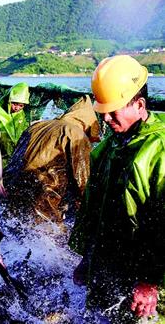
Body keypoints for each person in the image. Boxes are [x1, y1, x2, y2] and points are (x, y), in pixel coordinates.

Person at [69, 55, 165, 322]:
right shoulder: (110, 147)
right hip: (107, 268)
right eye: (103, 112)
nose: (108, 119)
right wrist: (86, 257)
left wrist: (150, 282)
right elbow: (92, 210)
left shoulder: (159, 151)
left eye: (114, 111)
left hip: (147, 284)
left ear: (140, 104)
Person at [3, 96, 100, 225]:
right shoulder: (77, 134)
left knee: (12, 228)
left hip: (11, 187)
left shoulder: (37, 125)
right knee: (49, 236)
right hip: (43, 194)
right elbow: (82, 181)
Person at [0, 82, 30, 166]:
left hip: (15, 152)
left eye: (21, 105)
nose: (17, 108)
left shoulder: (21, 113)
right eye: (14, 104)